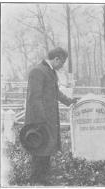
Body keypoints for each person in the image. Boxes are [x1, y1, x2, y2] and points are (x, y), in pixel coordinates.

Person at [20, 47, 78, 186]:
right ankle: (36, 180)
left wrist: (70, 102)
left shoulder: (50, 72)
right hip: (39, 119)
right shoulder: (38, 71)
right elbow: (34, 98)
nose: (62, 65)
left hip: (48, 118)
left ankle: (44, 178)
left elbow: (56, 93)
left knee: (46, 148)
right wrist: (40, 120)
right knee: (39, 147)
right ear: (56, 59)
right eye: (62, 62)